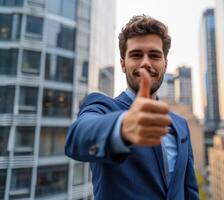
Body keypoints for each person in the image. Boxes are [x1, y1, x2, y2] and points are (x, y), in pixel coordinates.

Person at [65, 14, 199, 200]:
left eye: (154, 55)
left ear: (165, 64)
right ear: (122, 63)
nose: (146, 62)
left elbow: (189, 191)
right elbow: (77, 138)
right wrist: (122, 128)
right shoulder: (102, 107)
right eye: (136, 55)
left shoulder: (181, 125)